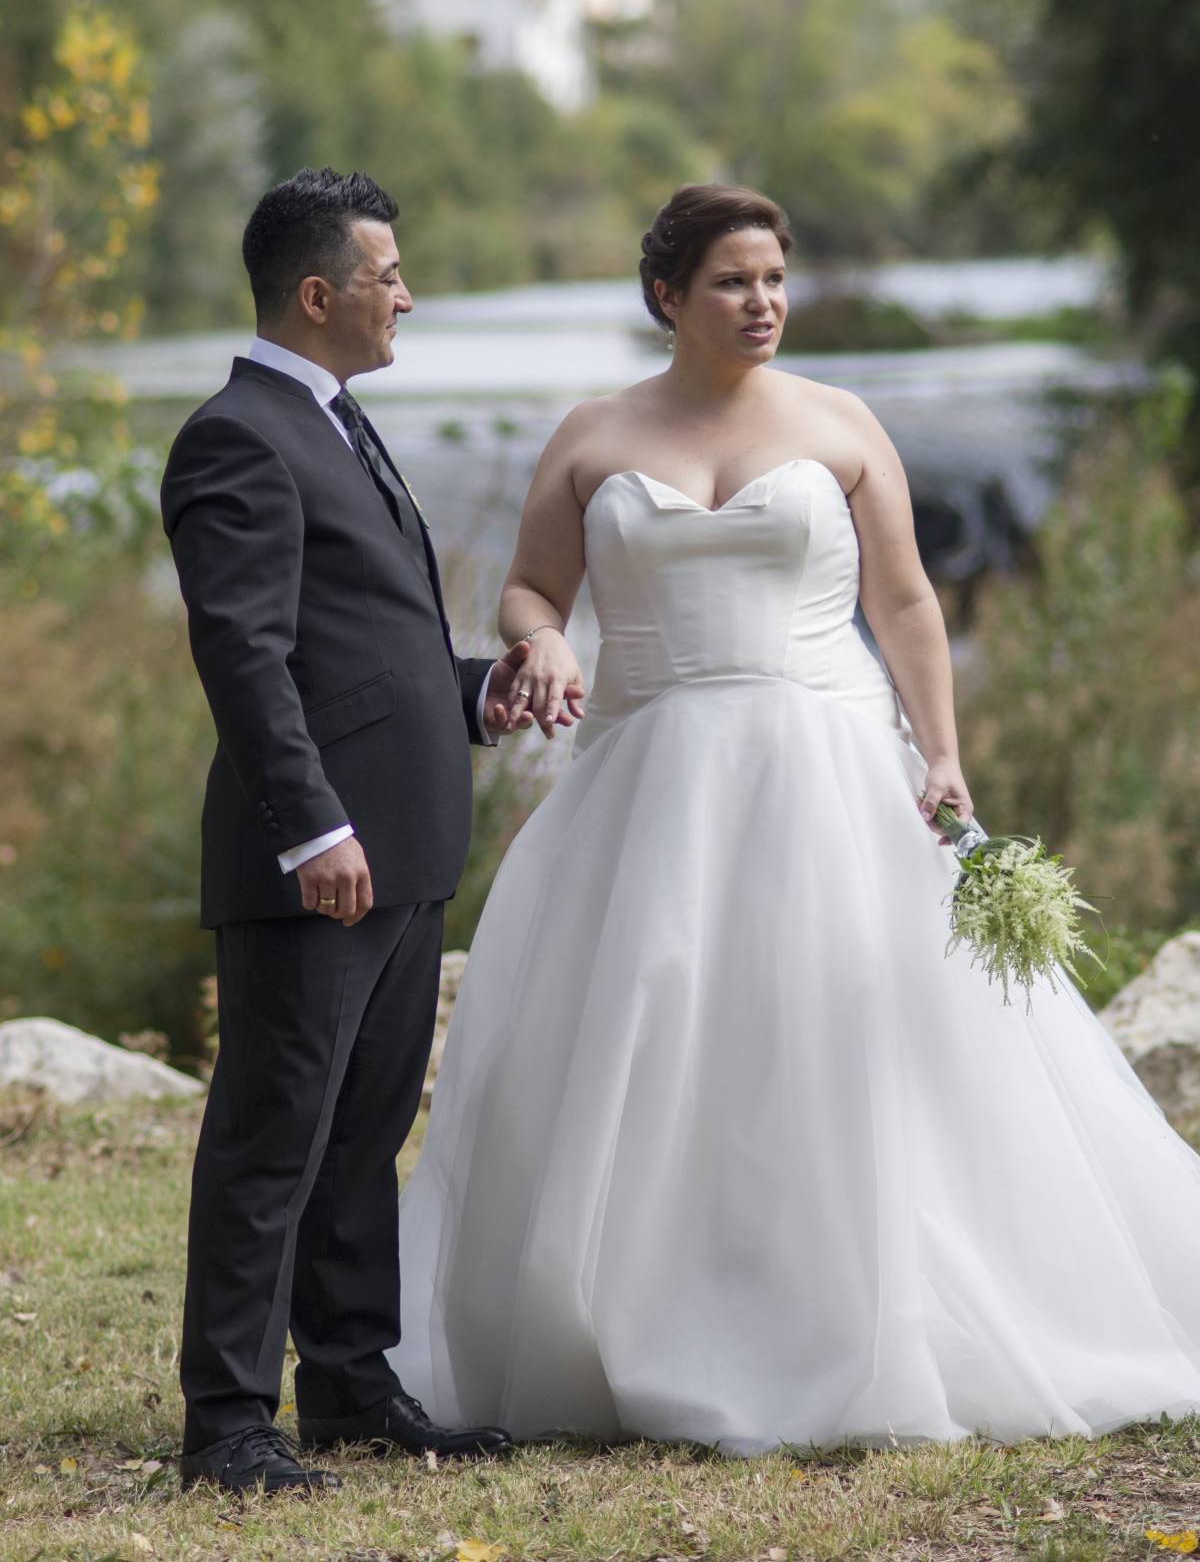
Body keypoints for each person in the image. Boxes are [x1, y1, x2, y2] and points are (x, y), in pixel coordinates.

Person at [390, 183, 1200, 1453]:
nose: (761, 301)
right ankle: (639, 1320)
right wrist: (542, 645)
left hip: (829, 775)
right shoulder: (594, 432)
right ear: (668, 297)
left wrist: (940, 755)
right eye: (731, 281)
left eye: (773, 278)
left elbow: (912, 606)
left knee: (837, 1044)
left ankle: (853, 1321)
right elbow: (533, 590)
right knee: (651, 1043)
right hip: (642, 789)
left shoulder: (841, 421)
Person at [161, 168, 576, 1495]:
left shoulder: (334, 422)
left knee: (359, 1135)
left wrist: (474, 687)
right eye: (390, 276)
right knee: (271, 1134)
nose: (409, 296)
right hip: (318, 862)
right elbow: (247, 655)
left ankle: (349, 1386)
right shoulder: (238, 435)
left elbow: (360, 642)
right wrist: (309, 828)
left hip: (399, 848)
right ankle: (229, 1422)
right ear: (319, 292)